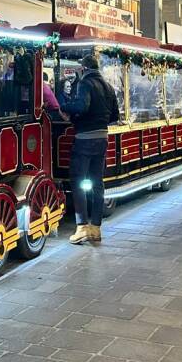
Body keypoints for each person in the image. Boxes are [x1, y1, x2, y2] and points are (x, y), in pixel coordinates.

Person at [61, 54, 120, 245]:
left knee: (78, 181)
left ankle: (81, 227)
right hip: (102, 138)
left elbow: (81, 106)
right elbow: (114, 115)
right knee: (97, 182)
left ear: (84, 68)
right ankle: (96, 228)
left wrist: (65, 107)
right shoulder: (108, 86)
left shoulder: (86, 83)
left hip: (85, 139)